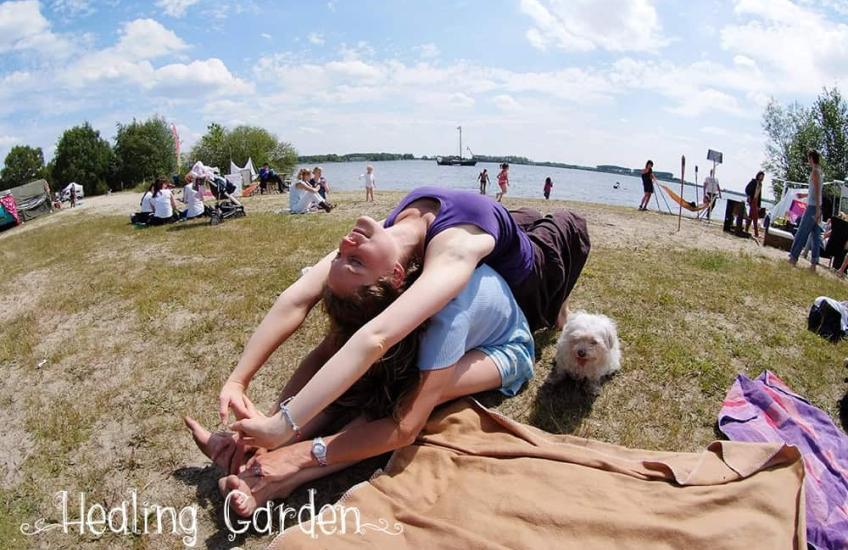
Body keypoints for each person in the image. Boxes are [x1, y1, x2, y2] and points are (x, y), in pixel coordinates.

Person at [217, 186, 589, 457]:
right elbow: (374, 337)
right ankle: (556, 308)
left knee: (522, 218)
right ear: (397, 277)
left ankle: (557, 304)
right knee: (569, 225)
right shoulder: (452, 253)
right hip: (534, 280)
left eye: (345, 258)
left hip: (502, 230)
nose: (346, 246)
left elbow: (298, 296)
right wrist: (282, 424)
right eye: (355, 262)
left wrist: (238, 378)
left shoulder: (376, 240)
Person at [186, 263, 536, 515]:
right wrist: (274, 430)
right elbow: (325, 356)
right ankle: (256, 468)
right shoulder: (376, 290)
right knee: (350, 384)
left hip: (502, 349)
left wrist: (296, 455)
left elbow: (403, 427)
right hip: (414, 338)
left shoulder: (445, 320)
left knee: (397, 400)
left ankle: (278, 482)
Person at [789, 151, 824, 271]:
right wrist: (804, 196)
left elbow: (818, 191)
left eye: (808, 158)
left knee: (802, 232)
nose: (807, 161)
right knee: (815, 236)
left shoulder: (815, 171)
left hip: (813, 208)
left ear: (811, 158)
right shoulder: (819, 171)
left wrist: (818, 210)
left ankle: (793, 258)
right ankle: (813, 264)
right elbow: (814, 191)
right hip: (816, 206)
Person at [745, 171, 765, 238]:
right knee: (755, 217)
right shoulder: (754, 181)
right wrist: (749, 196)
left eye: (762, 176)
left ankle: (746, 230)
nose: (761, 177)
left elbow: (759, 195)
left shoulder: (760, 184)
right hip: (752, 200)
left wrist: (759, 205)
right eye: (760, 176)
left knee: (751, 216)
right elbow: (747, 189)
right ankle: (756, 233)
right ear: (758, 175)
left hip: (756, 200)